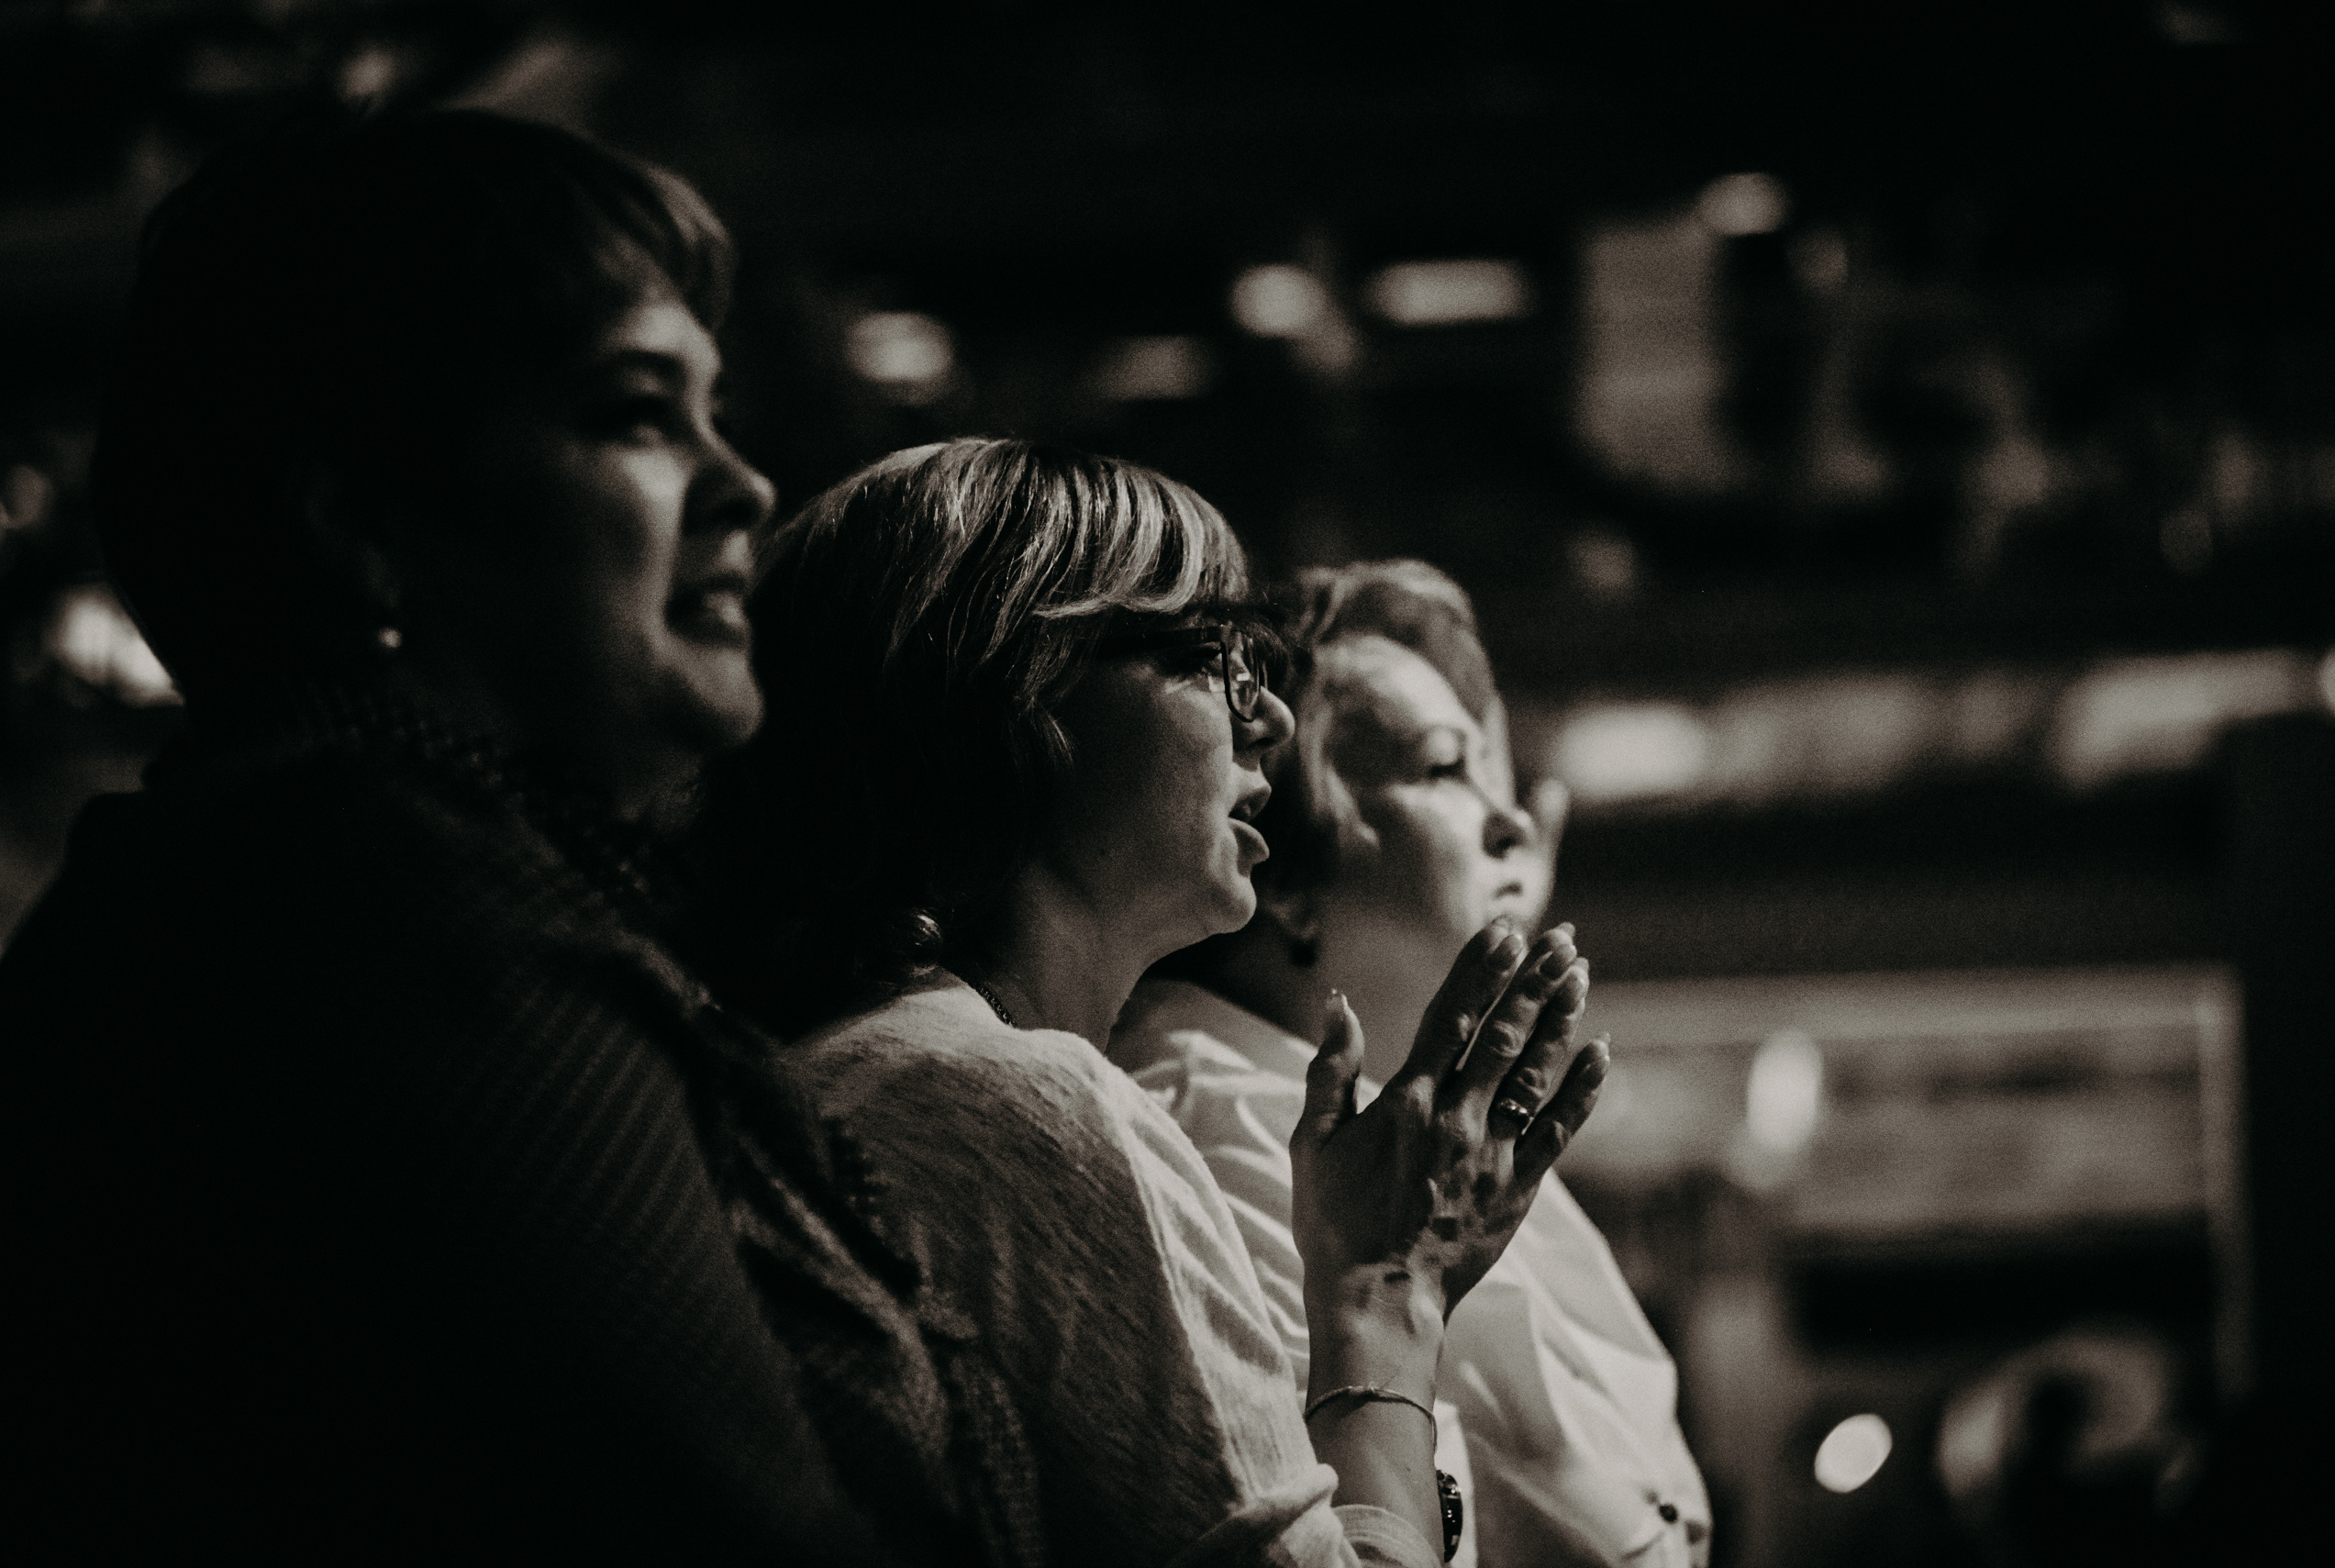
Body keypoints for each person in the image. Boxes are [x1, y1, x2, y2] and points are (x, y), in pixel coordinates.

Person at [0, 109, 990, 1562]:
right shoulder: (391, 913)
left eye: (713, 411)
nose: (745, 483)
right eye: (637, 413)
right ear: (360, 520)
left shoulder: (286, 858)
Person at [688, 439, 1611, 1567]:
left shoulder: (857, 1070)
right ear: (1013, 687)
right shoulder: (1008, 1102)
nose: (1269, 719)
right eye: (1213, 655)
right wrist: (1384, 1294)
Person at [1109, 561, 1712, 1568]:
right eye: (1442, 768)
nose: (1514, 822)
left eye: (1498, 779)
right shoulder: (1210, 1137)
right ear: (1283, 872)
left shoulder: (1418, 1138)